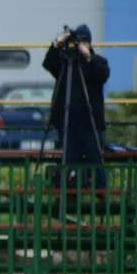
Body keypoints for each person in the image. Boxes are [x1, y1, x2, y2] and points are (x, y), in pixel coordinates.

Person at [41, 24, 110, 189]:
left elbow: (102, 74)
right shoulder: (65, 63)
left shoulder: (96, 62)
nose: (79, 46)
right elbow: (48, 63)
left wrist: (87, 57)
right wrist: (56, 44)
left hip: (90, 122)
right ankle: (68, 188)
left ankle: (100, 188)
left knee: (95, 157)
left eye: (84, 42)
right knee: (69, 159)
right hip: (68, 123)